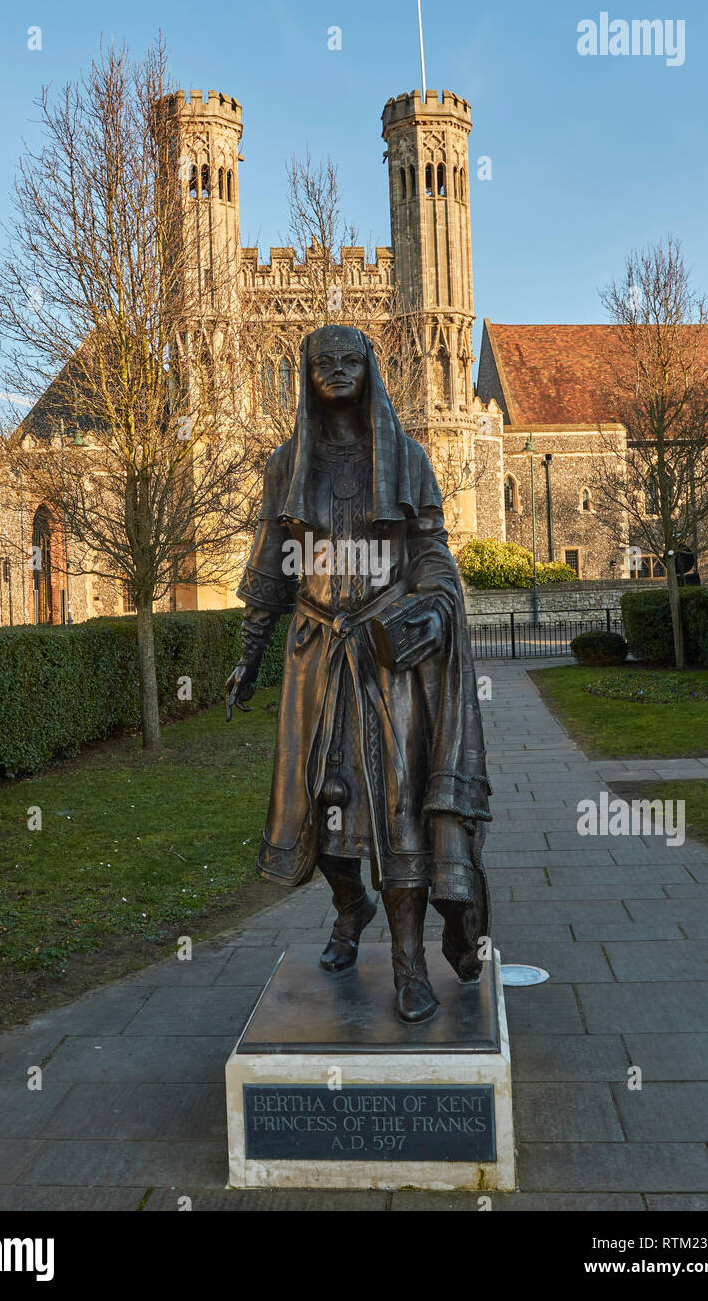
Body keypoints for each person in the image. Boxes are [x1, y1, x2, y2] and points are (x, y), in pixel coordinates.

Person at [226, 324, 492, 1023]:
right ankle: (351, 907)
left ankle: (410, 965)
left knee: (396, 808)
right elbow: (267, 567)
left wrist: (435, 607)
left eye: (351, 360)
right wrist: (249, 656)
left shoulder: (406, 457)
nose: (338, 372)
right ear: (305, 375)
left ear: (370, 369)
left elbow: (431, 550)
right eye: (324, 362)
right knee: (319, 799)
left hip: (383, 655)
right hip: (315, 656)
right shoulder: (287, 464)